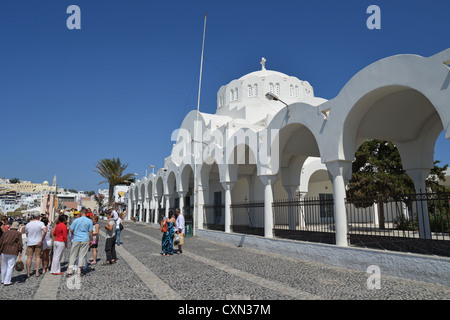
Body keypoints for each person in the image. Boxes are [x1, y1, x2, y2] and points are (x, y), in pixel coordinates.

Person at [66, 208, 93, 277]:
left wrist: (73, 233)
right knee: (82, 255)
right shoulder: (89, 221)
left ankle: (70, 271)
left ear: (80, 213)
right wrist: (91, 239)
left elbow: (71, 229)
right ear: (87, 213)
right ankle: (79, 271)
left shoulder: (76, 220)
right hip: (85, 238)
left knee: (73, 254)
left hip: (76, 238)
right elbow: (90, 232)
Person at [0, 222, 23, 286]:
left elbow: (1, 241)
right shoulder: (18, 234)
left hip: (4, 250)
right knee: (10, 266)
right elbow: (20, 243)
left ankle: (3, 279)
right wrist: (20, 250)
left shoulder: (6, 233)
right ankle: (7, 281)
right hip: (13, 251)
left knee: (3, 266)